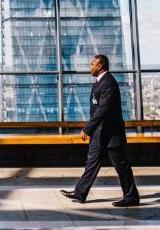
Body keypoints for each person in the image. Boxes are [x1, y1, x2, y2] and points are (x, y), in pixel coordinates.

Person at [60, 54, 140, 207]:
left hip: (111, 134)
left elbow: (103, 109)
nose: (90, 67)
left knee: (121, 166)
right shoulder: (100, 82)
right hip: (99, 134)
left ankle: (131, 196)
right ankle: (80, 192)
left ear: (100, 65)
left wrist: (87, 129)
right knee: (91, 163)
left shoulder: (108, 83)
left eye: (92, 64)